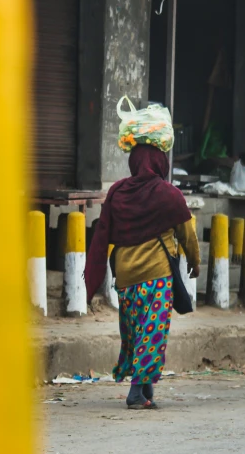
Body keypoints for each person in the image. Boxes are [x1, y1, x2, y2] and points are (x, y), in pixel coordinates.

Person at [85, 144, 200, 410]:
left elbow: (103, 230)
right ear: (161, 163)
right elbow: (186, 233)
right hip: (156, 274)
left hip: (125, 277)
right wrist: (194, 262)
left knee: (137, 333)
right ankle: (136, 393)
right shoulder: (168, 194)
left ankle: (146, 391)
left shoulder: (118, 191)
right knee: (153, 333)